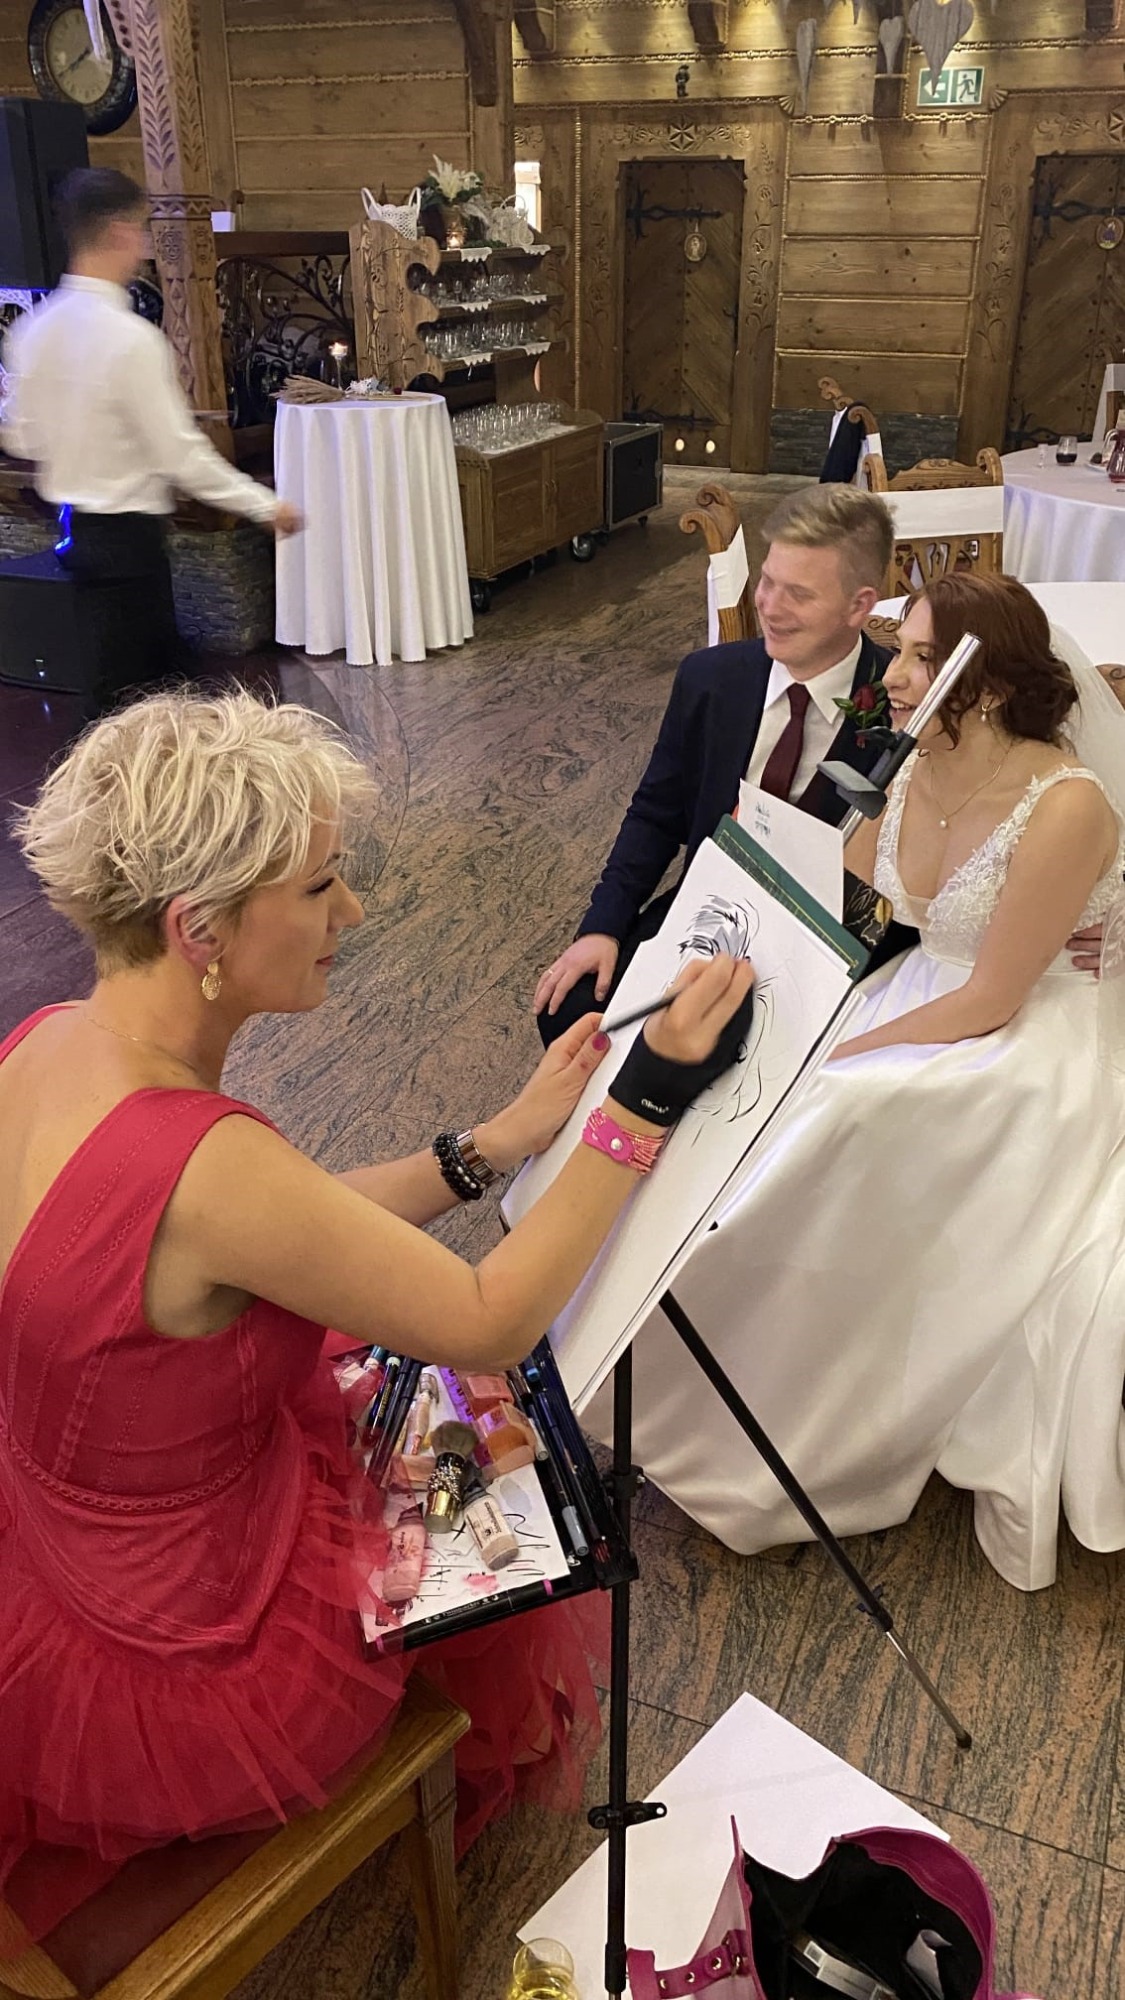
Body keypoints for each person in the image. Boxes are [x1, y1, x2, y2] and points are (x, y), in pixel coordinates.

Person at [0, 687, 751, 1963]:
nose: (350, 912)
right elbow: (489, 1316)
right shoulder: (207, 1161)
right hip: (188, 1648)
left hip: (69, 1551)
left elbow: (264, 1228)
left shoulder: (49, 1037)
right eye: (320, 885)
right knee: (479, 1459)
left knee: (425, 1424)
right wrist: (647, 1097)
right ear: (200, 929)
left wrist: (486, 1146)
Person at [582, 572, 1125, 1595]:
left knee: (836, 1108)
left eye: (920, 657)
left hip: (1025, 1031)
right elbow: (835, 901)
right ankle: (663, 1364)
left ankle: (790, 1435)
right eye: (903, 652)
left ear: (986, 684)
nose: (897, 674)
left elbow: (991, 997)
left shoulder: (1064, 806)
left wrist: (835, 1054)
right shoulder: (916, 762)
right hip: (917, 992)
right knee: (746, 1085)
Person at [534, 485, 897, 1046]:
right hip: (707, 915)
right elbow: (656, 815)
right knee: (572, 1013)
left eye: (799, 594)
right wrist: (603, 927)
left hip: (826, 945)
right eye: (767, 582)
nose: (770, 607)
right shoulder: (710, 679)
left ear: (859, 605)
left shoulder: (900, 707)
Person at [0, 169, 301, 718]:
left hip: (77, 536)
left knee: (125, 692)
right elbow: (179, 456)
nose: (143, 248)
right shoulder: (130, 339)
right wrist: (265, 505)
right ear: (119, 233)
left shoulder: (32, 331)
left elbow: (23, 436)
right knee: (145, 705)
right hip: (130, 546)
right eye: (141, 232)